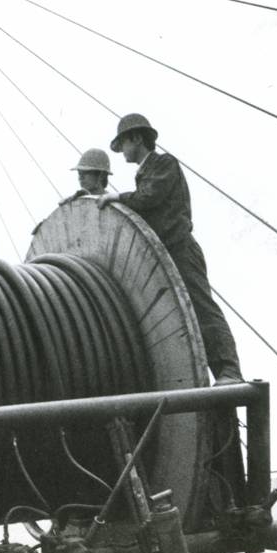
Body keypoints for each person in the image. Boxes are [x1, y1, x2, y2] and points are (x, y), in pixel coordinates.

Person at [96, 114, 243, 384]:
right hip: (165, 255)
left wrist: (117, 197)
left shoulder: (164, 164)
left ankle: (229, 371)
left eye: (123, 144)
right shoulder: (145, 173)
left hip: (181, 250)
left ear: (136, 139)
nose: (122, 152)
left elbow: (149, 198)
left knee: (202, 309)